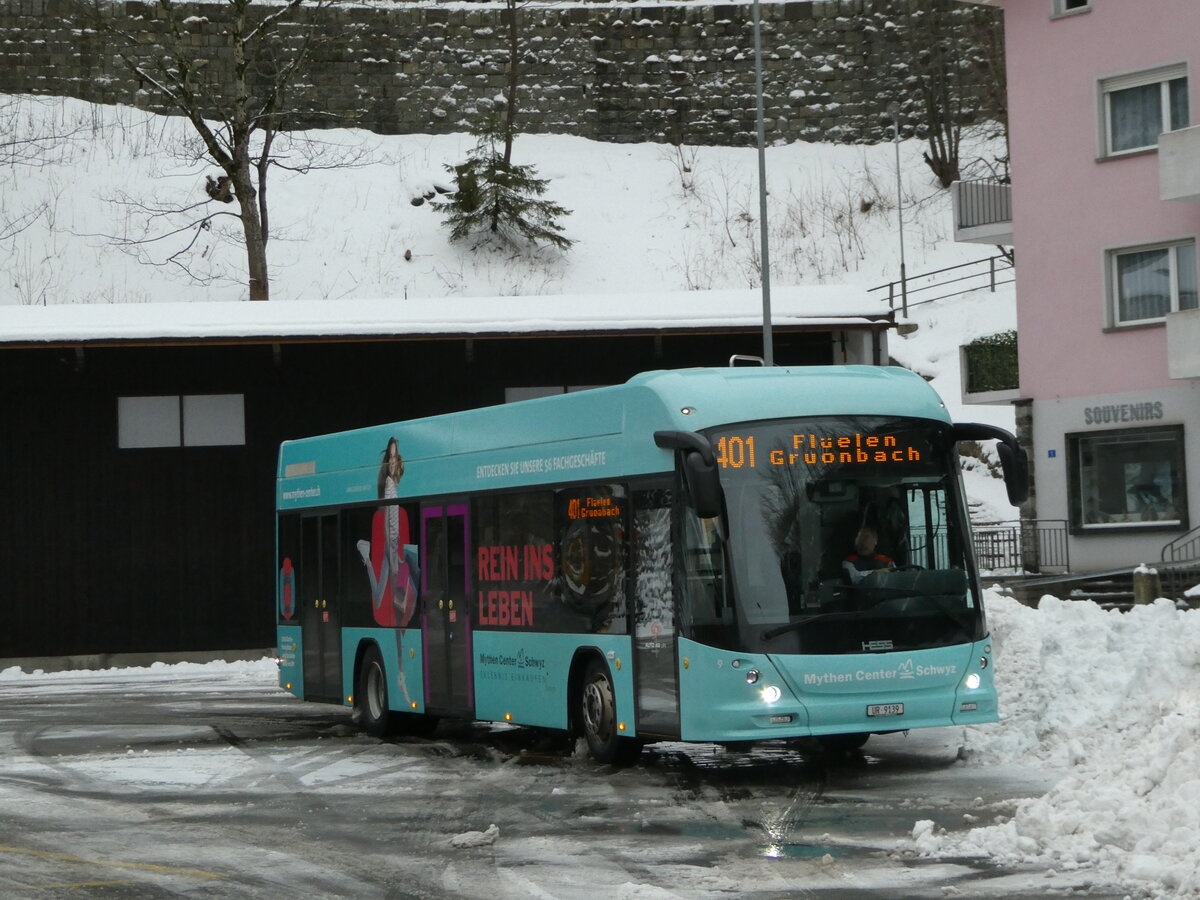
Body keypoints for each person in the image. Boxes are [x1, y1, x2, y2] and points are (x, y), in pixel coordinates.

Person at [357, 438, 406, 616]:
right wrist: (391, 555)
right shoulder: (388, 485)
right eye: (390, 456)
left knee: (383, 597)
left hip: (394, 542)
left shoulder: (394, 484)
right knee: (400, 576)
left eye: (395, 456)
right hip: (390, 543)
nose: (393, 460)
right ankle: (367, 558)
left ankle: (367, 558)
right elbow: (386, 520)